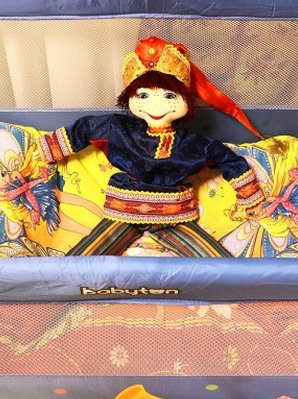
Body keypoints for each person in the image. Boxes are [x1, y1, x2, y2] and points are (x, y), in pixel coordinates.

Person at [39, 36, 264, 257]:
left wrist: (250, 197)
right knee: (82, 260)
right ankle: (60, 281)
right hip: (124, 210)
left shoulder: (194, 143)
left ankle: (233, 281)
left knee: (215, 262)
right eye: (144, 95)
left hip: (174, 215)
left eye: (169, 96)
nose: (156, 104)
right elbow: (86, 128)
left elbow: (227, 158)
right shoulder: (118, 128)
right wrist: (47, 150)